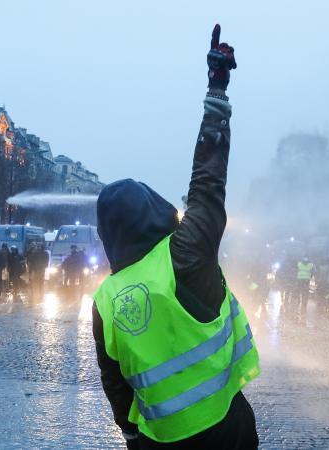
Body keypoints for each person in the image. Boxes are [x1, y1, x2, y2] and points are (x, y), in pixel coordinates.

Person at [91, 25, 259, 449]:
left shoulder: (107, 298)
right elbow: (208, 181)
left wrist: (131, 434)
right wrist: (216, 93)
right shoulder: (185, 252)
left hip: (159, 441)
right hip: (226, 428)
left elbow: (114, 381)